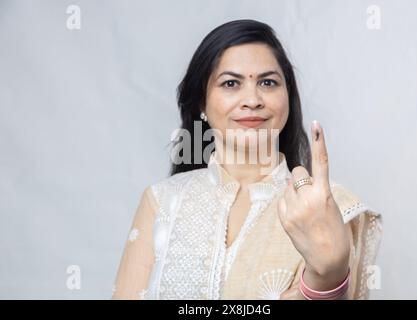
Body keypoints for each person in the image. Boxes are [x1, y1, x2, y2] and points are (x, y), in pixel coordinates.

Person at [112, 19, 382, 300]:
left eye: (268, 82)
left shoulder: (326, 207)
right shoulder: (163, 200)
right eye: (231, 83)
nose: (252, 100)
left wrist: (328, 278)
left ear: (288, 97)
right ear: (202, 103)